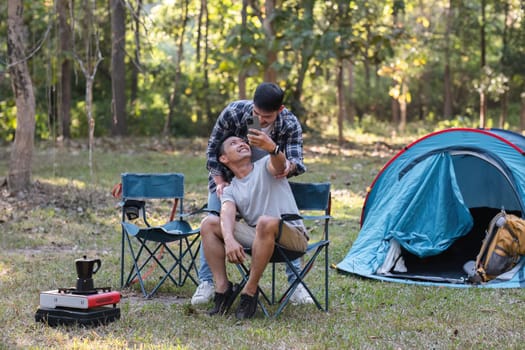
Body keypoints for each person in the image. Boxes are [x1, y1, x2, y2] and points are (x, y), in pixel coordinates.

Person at [191, 82, 312, 306]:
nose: (260, 119)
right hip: (230, 178)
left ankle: (295, 285)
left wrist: (282, 161)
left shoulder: (289, 123)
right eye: (257, 114)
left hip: (268, 173)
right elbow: (213, 149)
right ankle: (209, 282)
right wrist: (220, 182)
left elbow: (295, 161)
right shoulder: (236, 112)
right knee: (213, 219)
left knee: (276, 218)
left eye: (266, 117)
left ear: (280, 110)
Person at [200, 135, 309, 319]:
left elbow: (281, 166)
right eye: (233, 144)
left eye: (242, 142)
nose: (241, 144)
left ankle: (250, 291)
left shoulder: (266, 164)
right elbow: (226, 211)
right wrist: (229, 240)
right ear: (223, 159)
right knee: (209, 223)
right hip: (260, 239)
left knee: (265, 222)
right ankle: (223, 288)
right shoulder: (230, 188)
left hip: (292, 238)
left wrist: (273, 148)